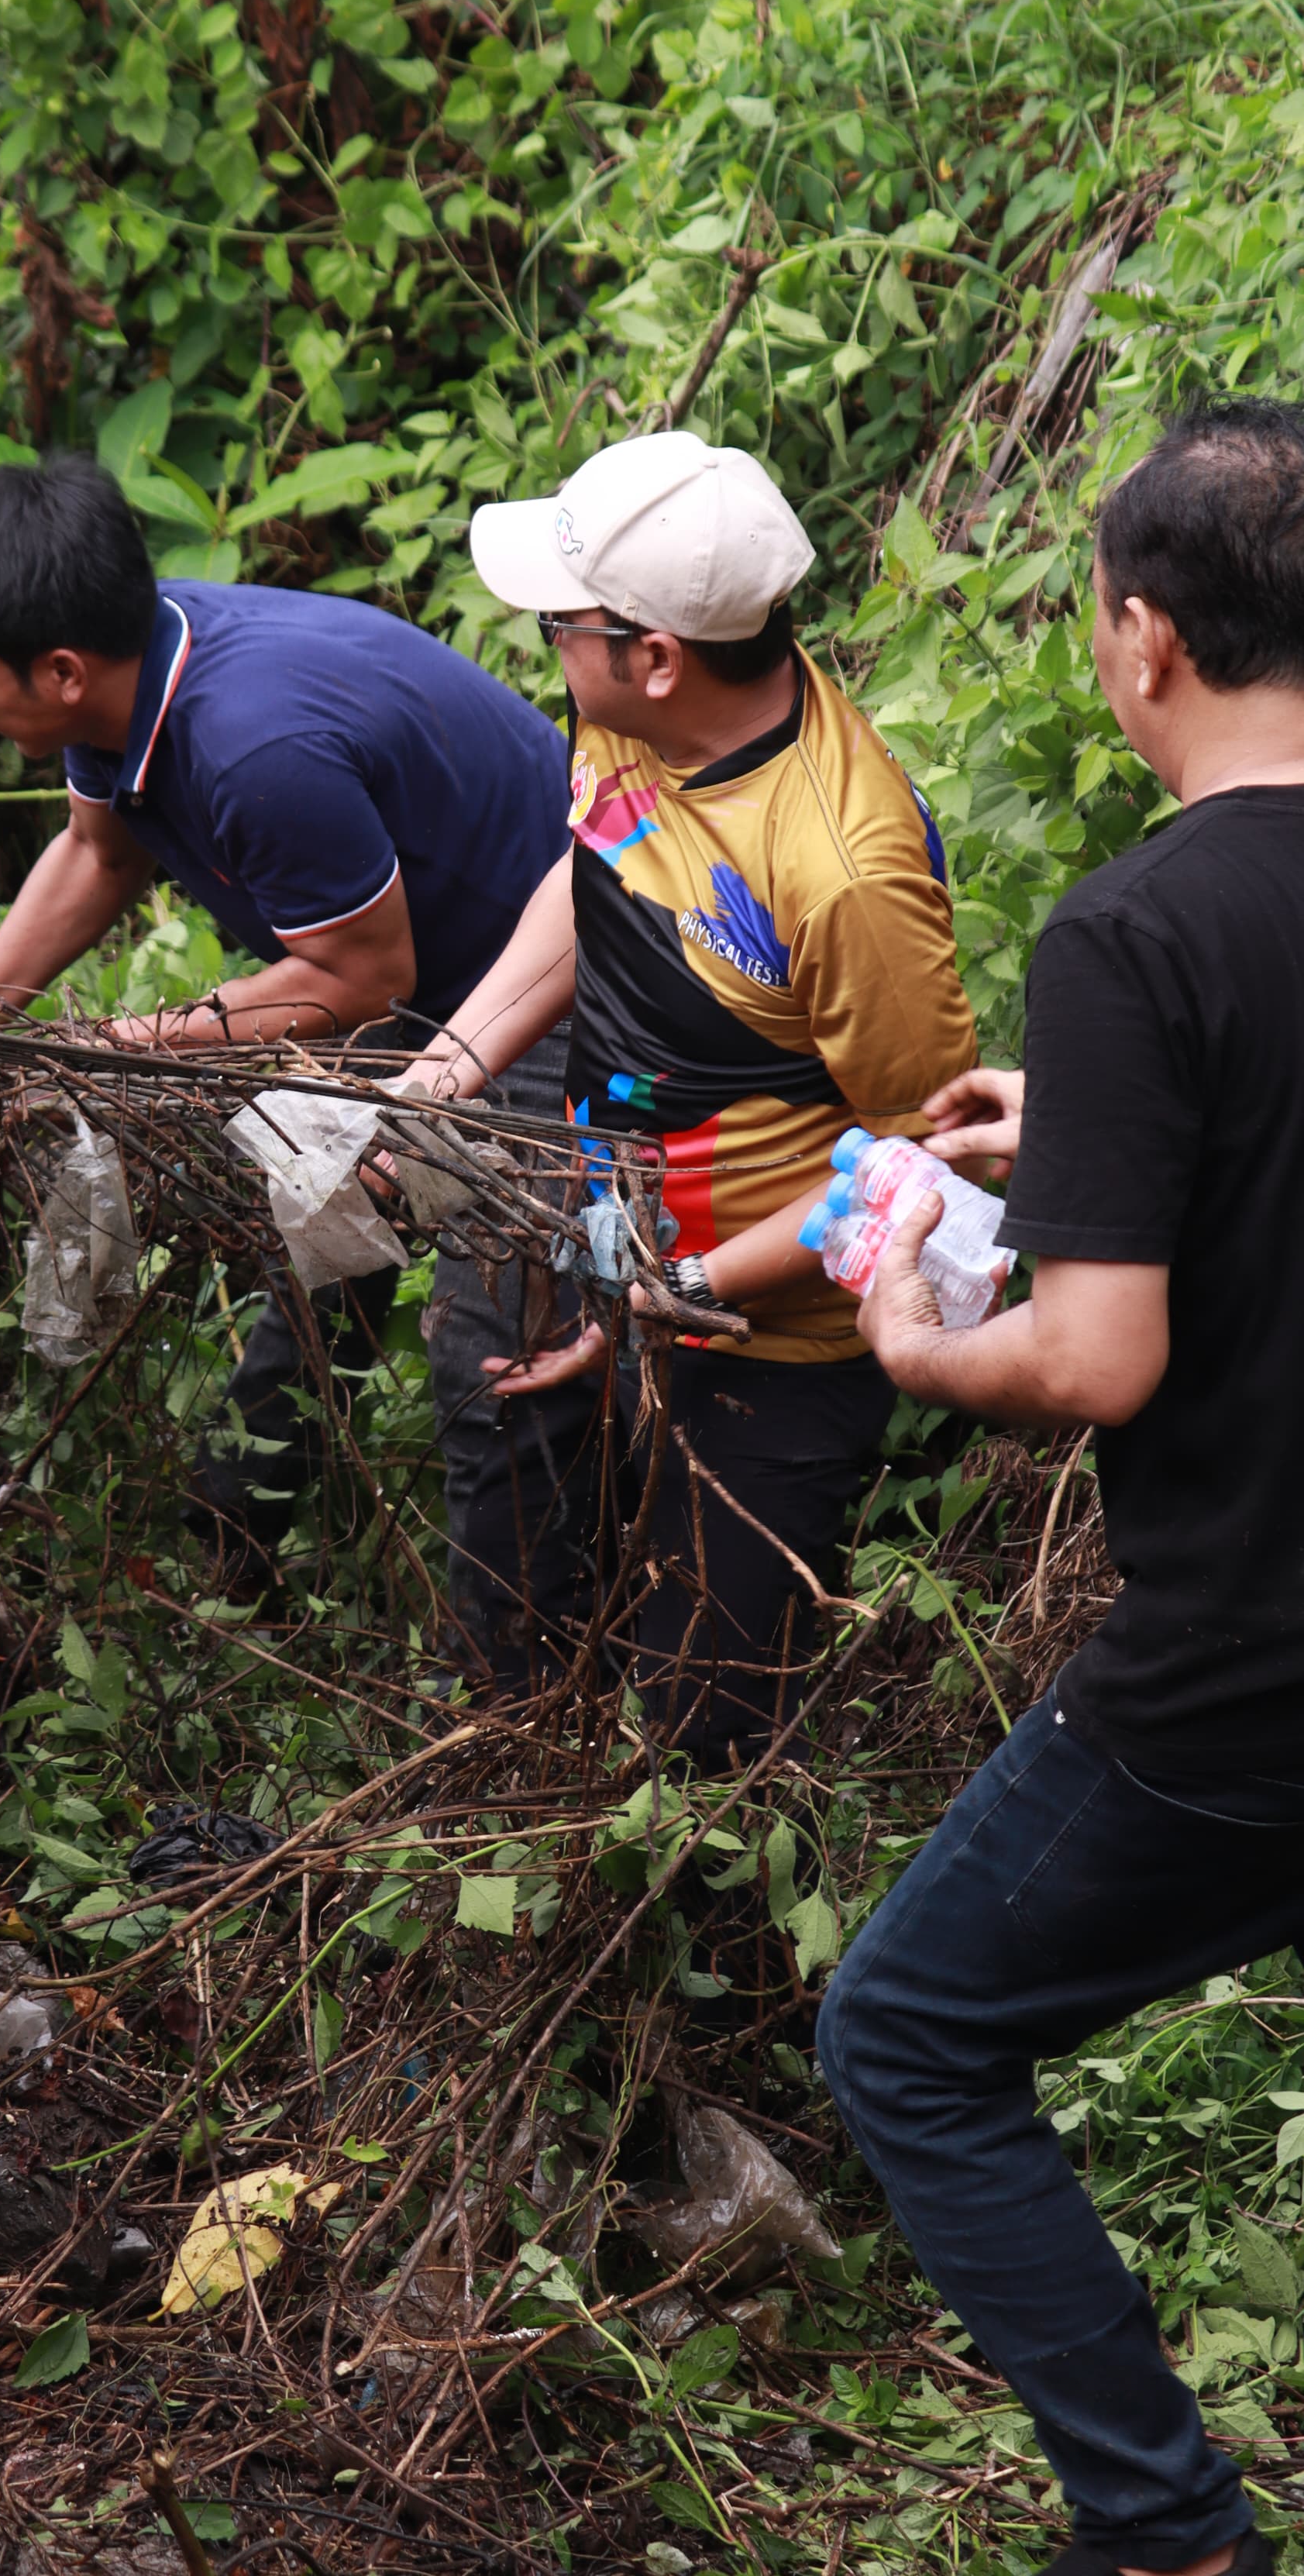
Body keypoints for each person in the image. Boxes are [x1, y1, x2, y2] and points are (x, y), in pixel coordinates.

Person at [817, 392, 1304, 2576]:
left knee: (908, 2032)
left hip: (1247, 1659)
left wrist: (926, 1342)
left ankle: (1162, 2518)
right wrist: (1098, 1139)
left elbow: (1101, 1355)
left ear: (1139, 643)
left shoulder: (1138, 937)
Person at [0, 456, 599, 1607]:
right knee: (325, 1230)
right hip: (422, 967)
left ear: (58, 672)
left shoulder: (254, 749)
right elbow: (97, 851)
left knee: (498, 1341)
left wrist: (125, 1042)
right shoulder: (132, 671)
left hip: (549, 979)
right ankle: (234, 1549)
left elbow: (365, 978)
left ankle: (515, 1675)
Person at [399, 427, 978, 1760]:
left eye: (561, 622)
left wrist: (695, 1291)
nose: (544, 641)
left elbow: (931, 1156)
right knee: (531, 1615)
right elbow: (595, 870)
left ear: (653, 653)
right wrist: (442, 1078)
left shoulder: (840, 869)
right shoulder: (637, 721)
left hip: (777, 1340)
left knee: (704, 1739)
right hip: (636, 1259)